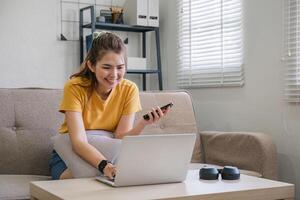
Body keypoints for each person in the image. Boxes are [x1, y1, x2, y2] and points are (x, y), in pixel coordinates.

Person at [49, 32, 170, 180]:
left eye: (120, 67)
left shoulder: (129, 89)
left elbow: (120, 137)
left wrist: (143, 124)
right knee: (93, 179)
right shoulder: (75, 87)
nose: (114, 74)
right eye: (107, 67)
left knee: (121, 176)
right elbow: (78, 142)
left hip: (108, 152)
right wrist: (105, 166)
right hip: (70, 153)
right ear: (91, 66)